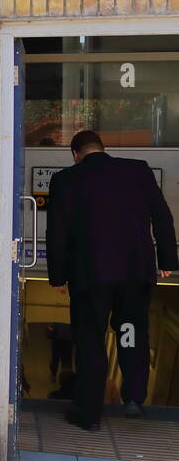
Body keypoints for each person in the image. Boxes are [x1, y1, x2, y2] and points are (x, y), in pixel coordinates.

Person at [45, 129, 178, 431]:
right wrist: (167, 261)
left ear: (75, 155)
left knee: (90, 339)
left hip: (90, 276)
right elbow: (162, 215)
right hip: (135, 272)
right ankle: (133, 398)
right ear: (103, 148)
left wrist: (57, 276)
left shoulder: (66, 180)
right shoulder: (138, 171)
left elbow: (58, 233)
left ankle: (89, 415)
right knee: (131, 330)